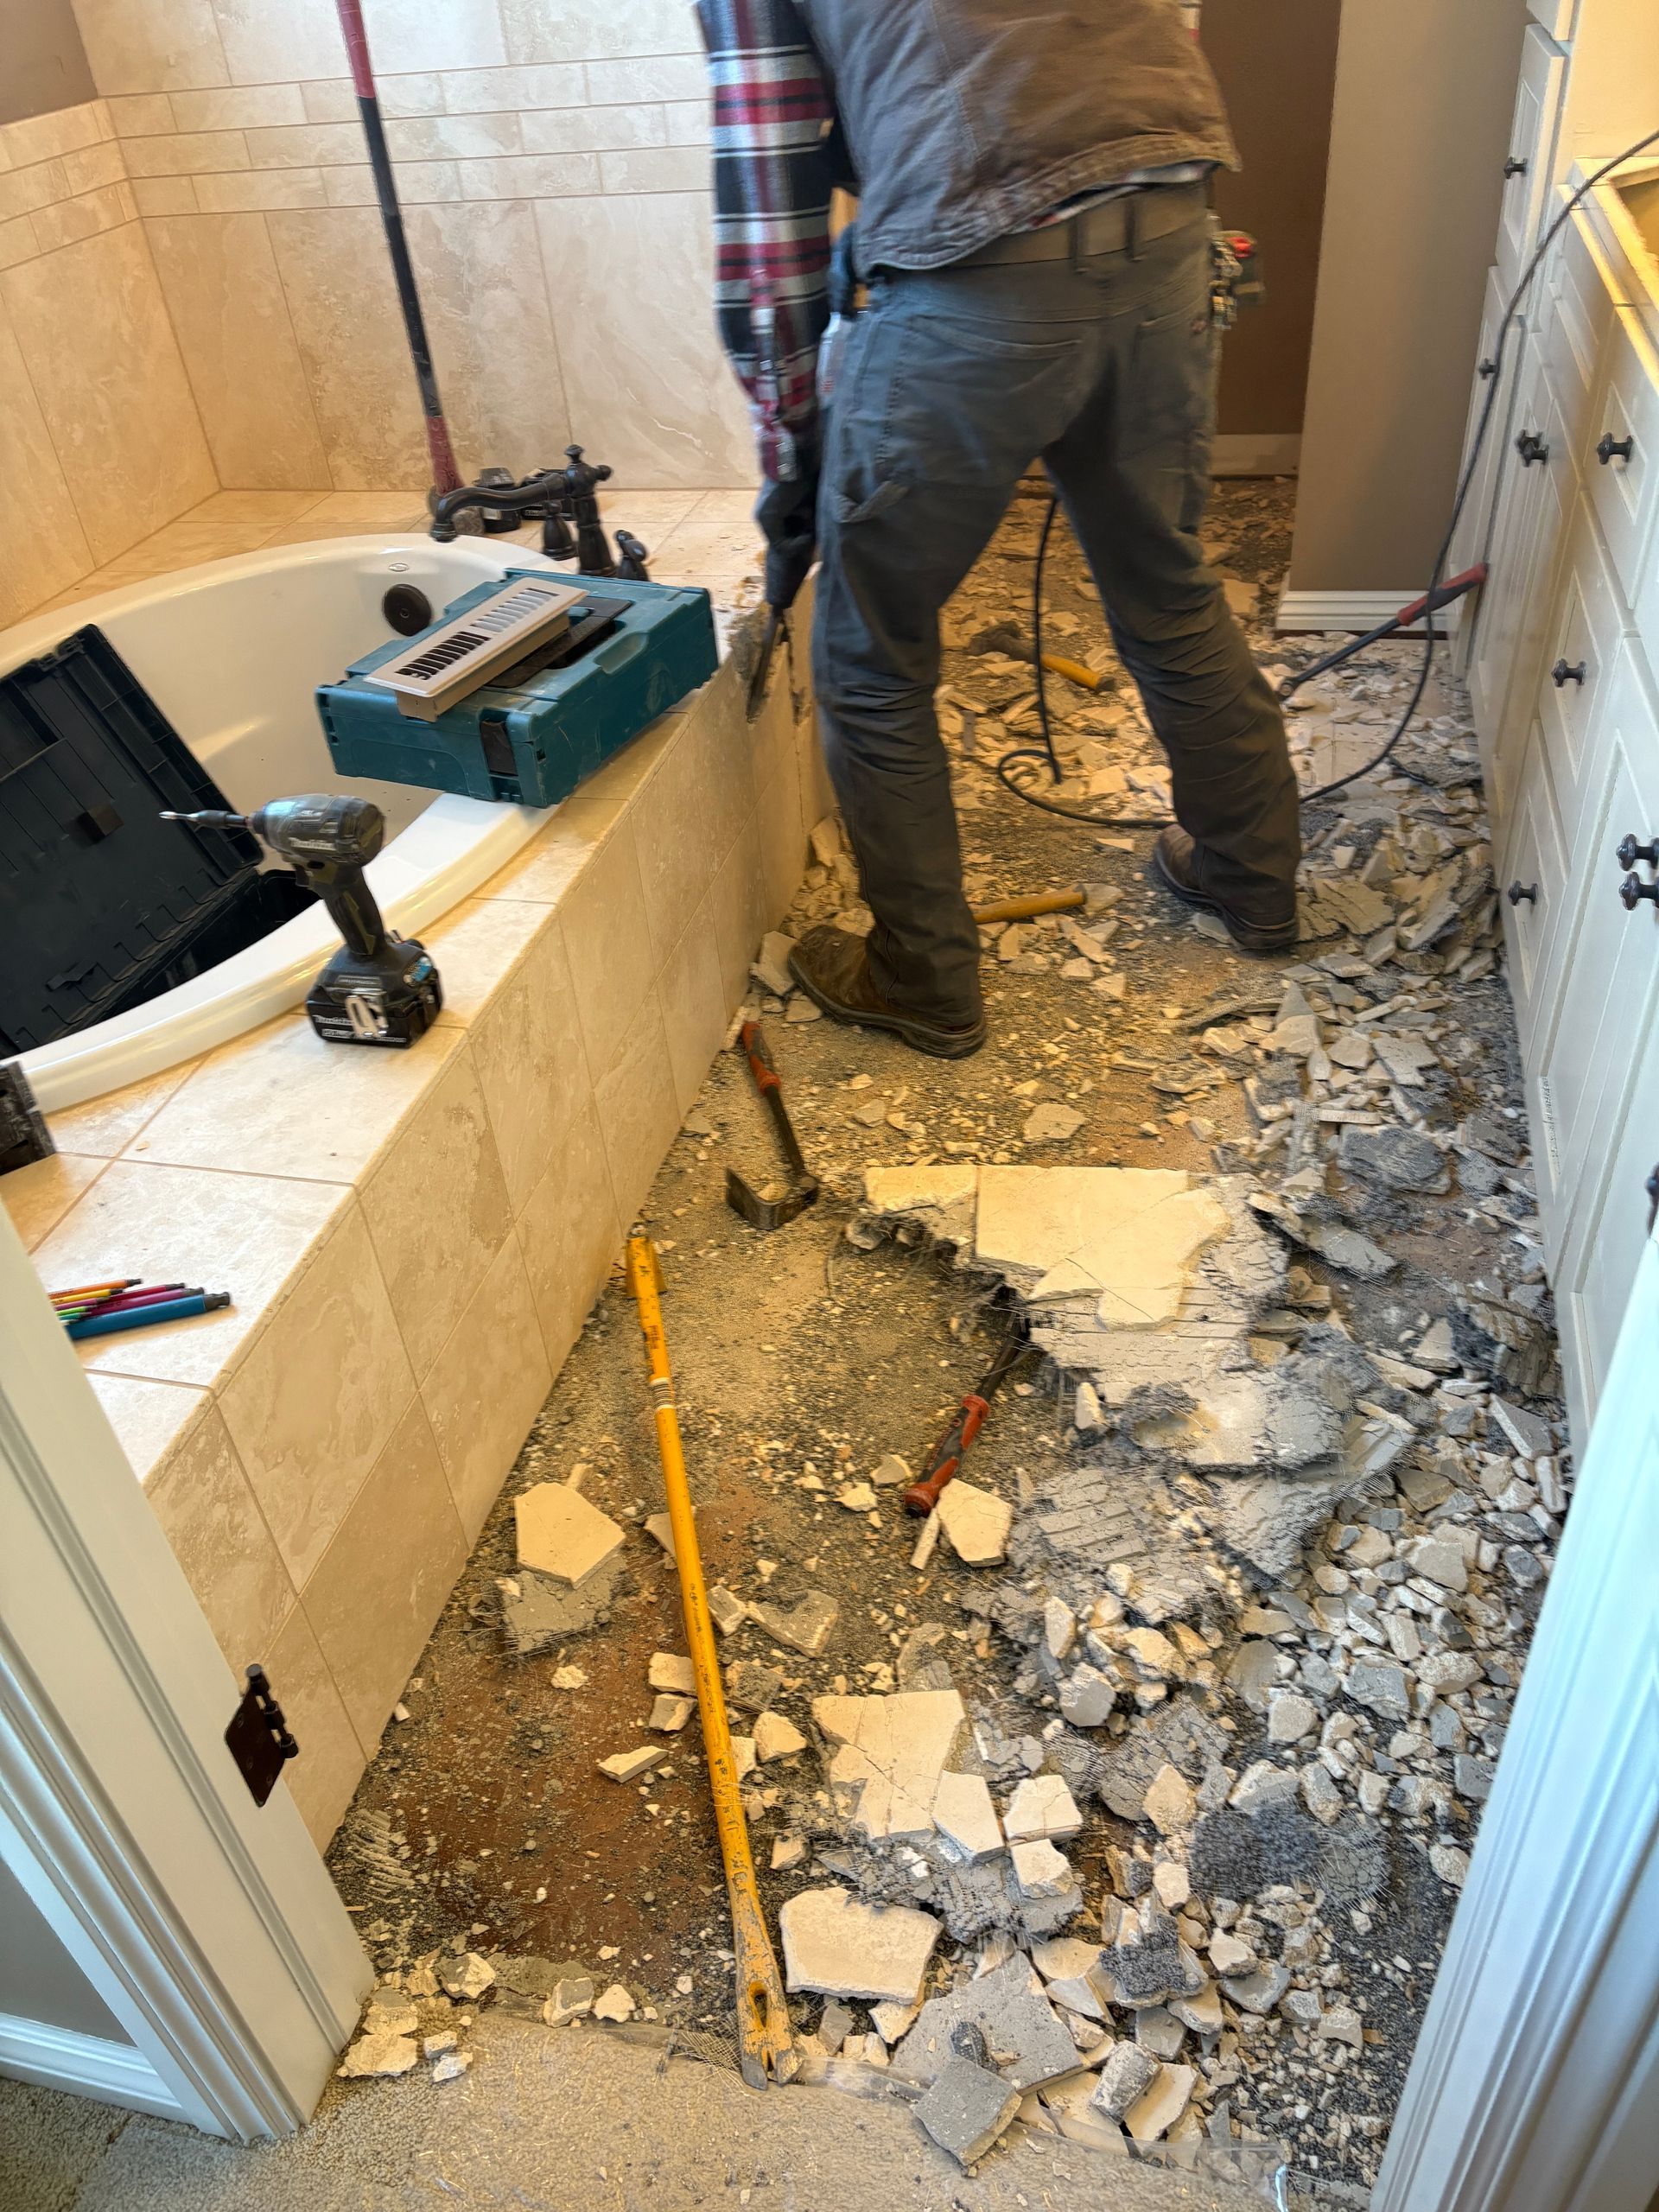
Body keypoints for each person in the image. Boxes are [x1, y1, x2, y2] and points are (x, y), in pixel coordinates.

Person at [695, 0, 1302, 1060]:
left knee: (870, 658)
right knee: (1166, 585)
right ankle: (1253, 883)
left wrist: (792, 445)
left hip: (976, 267)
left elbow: (769, 196)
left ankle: (921, 978)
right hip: (1167, 223)